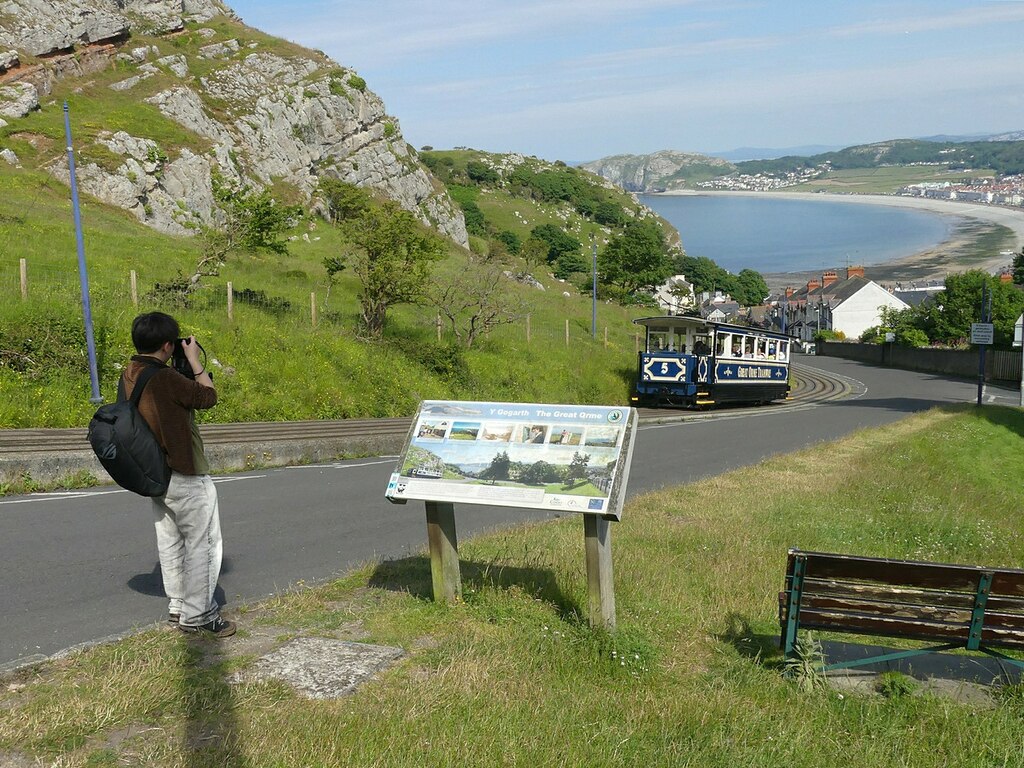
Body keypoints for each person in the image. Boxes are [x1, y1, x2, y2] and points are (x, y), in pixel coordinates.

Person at [123, 311, 235, 638]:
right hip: (185, 473)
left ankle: (177, 606)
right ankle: (199, 615)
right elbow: (207, 397)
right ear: (168, 345)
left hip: (155, 474)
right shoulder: (167, 379)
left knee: (170, 542)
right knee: (205, 544)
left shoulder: (130, 373)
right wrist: (196, 363)